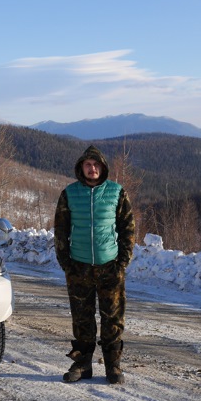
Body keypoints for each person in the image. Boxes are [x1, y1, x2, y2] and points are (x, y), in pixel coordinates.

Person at [54, 145, 136, 385]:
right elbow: (61, 229)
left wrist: (122, 262)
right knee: (82, 318)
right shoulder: (69, 193)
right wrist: (66, 263)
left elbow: (127, 228)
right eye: (88, 165)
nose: (92, 169)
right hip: (78, 267)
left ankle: (113, 366)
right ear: (81, 168)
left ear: (103, 167)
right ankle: (82, 365)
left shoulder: (116, 192)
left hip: (109, 266)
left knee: (113, 318)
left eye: (96, 165)